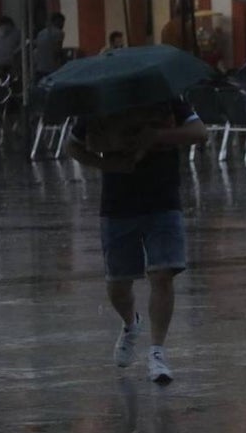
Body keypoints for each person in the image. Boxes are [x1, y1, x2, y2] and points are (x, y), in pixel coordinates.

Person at [67, 99, 207, 383]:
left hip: (163, 200)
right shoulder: (100, 103)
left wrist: (158, 136)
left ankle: (157, 352)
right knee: (118, 281)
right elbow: (72, 145)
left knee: (163, 273)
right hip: (118, 205)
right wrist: (107, 163)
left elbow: (199, 132)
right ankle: (131, 322)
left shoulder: (166, 97)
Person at [33, 12, 66, 79]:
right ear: (58, 22)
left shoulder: (41, 33)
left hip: (40, 68)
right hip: (51, 68)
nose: (63, 25)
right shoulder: (59, 33)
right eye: (62, 22)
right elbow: (57, 51)